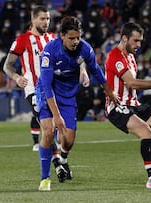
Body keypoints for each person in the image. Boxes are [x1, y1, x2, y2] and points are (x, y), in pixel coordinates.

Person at [35, 16, 118, 191]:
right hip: (47, 92)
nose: (75, 41)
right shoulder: (50, 51)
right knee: (49, 132)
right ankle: (45, 179)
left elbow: (96, 70)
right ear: (62, 36)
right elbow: (47, 85)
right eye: (71, 38)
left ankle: (62, 160)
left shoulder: (85, 49)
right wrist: (56, 116)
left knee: (69, 140)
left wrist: (109, 92)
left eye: (78, 37)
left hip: (67, 95)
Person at [2, 5, 89, 151]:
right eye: (42, 19)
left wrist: (82, 69)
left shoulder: (53, 39)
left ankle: (60, 156)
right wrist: (17, 77)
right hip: (34, 90)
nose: (46, 22)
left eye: (48, 18)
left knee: (63, 133)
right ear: (33, 19)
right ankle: (57, 164)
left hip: (54, 90)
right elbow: (7, 66)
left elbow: (74, 55)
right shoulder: (22, 40)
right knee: (48, 128)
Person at [105, 22, 151, 190]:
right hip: (117, 107)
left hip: (134, 104)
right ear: (124, 39)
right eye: (136, 41)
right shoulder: (115, 56)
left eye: (140, 41)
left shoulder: (131, 56)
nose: (139, 45)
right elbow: (132, 83)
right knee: (145, 130)